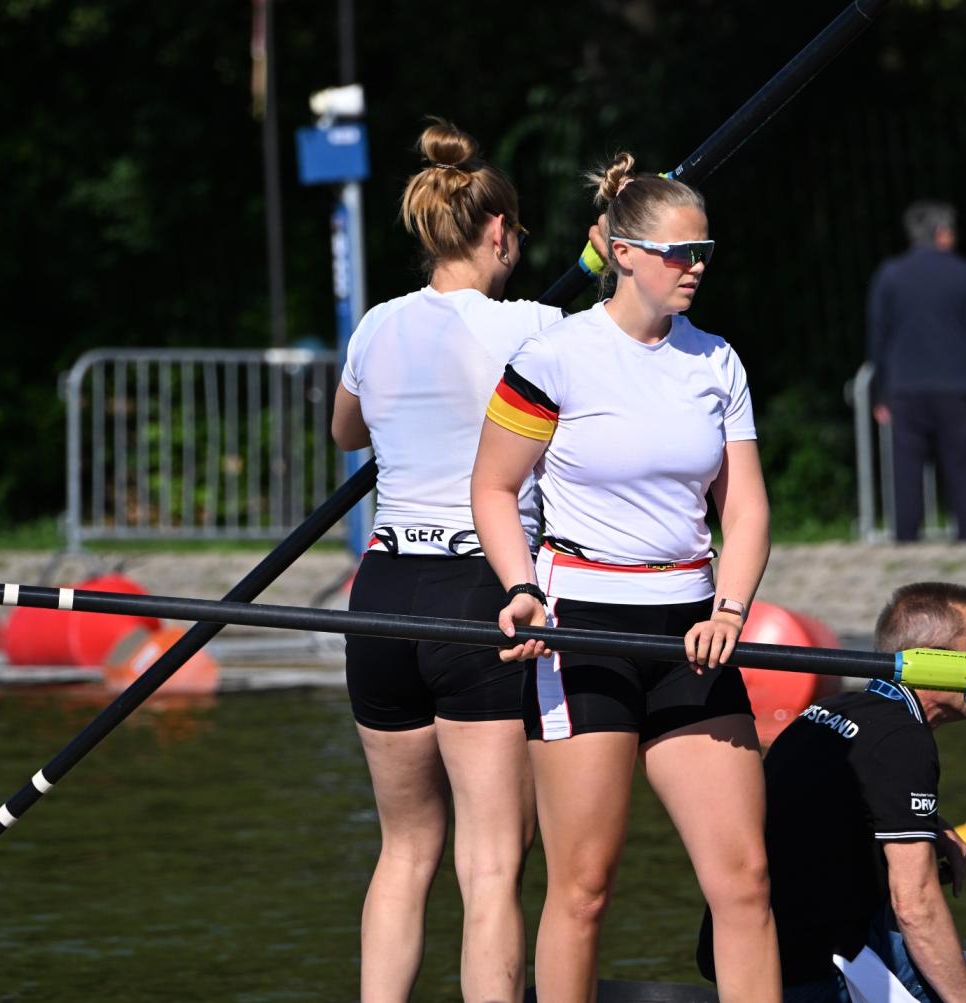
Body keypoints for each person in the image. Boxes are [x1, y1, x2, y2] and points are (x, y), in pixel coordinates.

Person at [471, 153, 780, 1002]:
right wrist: (520, 588)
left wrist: (730, 609)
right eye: (682, 252)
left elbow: (746, 508)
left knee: (746, 880)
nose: (697, 267)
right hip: (582, 630)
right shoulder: (553, 356)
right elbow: (493, 489)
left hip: (693, 631)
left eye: (705, 251)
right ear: (624, 253)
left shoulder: (717, 360)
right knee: (584, 887)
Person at [331, 119, 563, 1003]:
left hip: (381, 593)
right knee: (493, 859)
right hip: (480, 595)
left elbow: (346, 432)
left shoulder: (376, 326)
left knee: (405, 846)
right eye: (517, 234)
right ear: (498, 231)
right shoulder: (536, 327)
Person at [698, 582, 966, 1003]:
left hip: (740, 947)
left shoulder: (834, 708)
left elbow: (823, 805)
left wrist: (931, 825)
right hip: (813, 960)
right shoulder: (902, 740)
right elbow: (916, 907)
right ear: (937, 660)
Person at [867, 201, 966, 542]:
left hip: (904, 387)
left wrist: (879, 392)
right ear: (942, 234)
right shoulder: (965, 274)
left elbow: (878, 337)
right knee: (963, 467)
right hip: (956, 386)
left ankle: (906, 538)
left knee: (906, 469)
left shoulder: (890, 275)